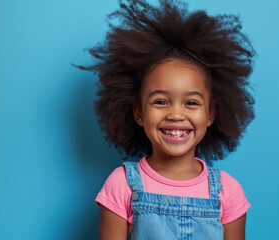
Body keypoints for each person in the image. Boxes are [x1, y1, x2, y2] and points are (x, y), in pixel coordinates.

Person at [77, 0, 255, 239]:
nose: (176, 114)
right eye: (161, 101)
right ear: (139, 113)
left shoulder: (228, 192)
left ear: (210, 114)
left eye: (191, 102)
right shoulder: (122, 185)